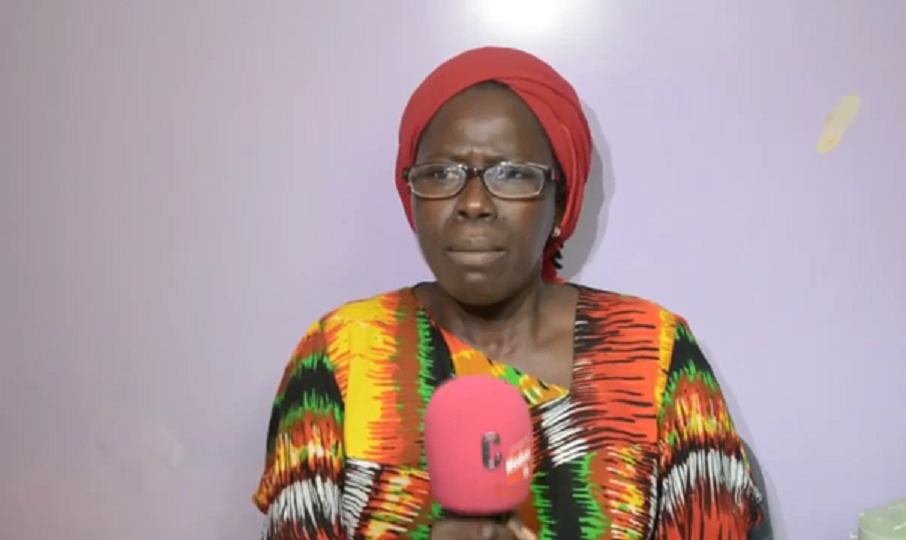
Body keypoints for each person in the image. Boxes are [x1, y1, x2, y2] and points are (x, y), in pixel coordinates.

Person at [252, 46, 764, 539]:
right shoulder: (343, 354)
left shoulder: (651, 350)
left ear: (560, 202)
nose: (474, 203)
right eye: (441, 173)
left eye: (513, 174)